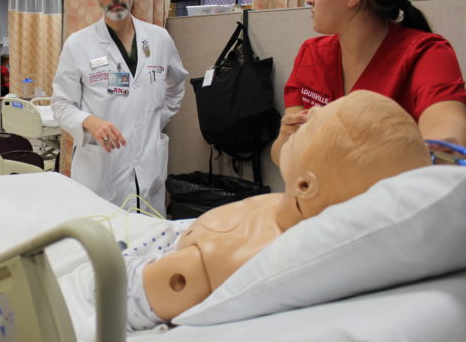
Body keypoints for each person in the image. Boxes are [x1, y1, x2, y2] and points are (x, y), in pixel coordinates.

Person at [126, 90, 432, 327]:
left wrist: (113, 265)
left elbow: (123, 300)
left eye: (314, 126)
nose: (309, 113)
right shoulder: (293, 211)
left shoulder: (230, 255)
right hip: (165, 237)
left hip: (140, 262)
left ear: (305, 186)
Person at [271, 0, 466, 166]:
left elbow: (449, 139)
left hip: (394, 198)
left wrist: (435, 153)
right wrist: (286, 136)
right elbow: (282, 158)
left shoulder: (426, 53)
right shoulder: (312, 54)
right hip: (325, 198)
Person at [52, 0, 188, 216]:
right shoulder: (78, 44)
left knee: (151, 247)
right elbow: (61, 105)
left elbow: (177, 84)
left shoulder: (159, 39)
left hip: (148, 171)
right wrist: (88, 120)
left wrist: (156, 119)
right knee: (104, 249)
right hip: (101, 174)